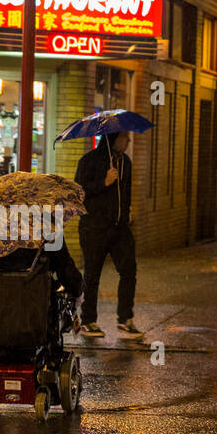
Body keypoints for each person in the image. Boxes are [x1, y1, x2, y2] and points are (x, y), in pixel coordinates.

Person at [74, 131, 142, 339]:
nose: (128, 141)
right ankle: (88, 321)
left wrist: (127, 212)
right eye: (124, 137)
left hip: (119, 227)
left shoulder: (125, 163)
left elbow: (126, 192)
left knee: (129, 269)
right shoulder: (89, 161)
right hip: (94, 226)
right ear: (113, 139)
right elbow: (79, 192)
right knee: (92, 274)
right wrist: (104, 182)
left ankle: (125, 319)